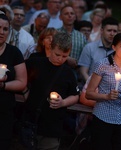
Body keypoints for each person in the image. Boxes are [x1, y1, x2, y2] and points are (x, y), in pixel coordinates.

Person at [22, 32, 79, 150]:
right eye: (57, 54)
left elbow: (75, 95)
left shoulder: (68, 73)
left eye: (65, 56)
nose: (60, 59)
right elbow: (20, 78)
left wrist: (63, 102)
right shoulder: (35, 63)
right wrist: (25, 91)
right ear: (50, 47)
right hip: (30, 121)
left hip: (52, 127)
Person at [86, 33, 121, 150]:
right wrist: (106, 96)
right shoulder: (102, 65)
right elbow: (89, 93)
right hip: (103, 116)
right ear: (114, 47)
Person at [0, 13, 27, 150]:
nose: (1, 32)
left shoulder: (14, 52)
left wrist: (3, 85)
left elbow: (22, 82)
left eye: (5, 29)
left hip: (4, 112)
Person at [78, 17, 118, 83]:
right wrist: (92, 86)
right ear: (101, 31)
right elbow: (83, 72)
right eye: (109, 30)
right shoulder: (89, 48)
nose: (112, 34)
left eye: (115, 31)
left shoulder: (118, 51)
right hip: (90, 86)